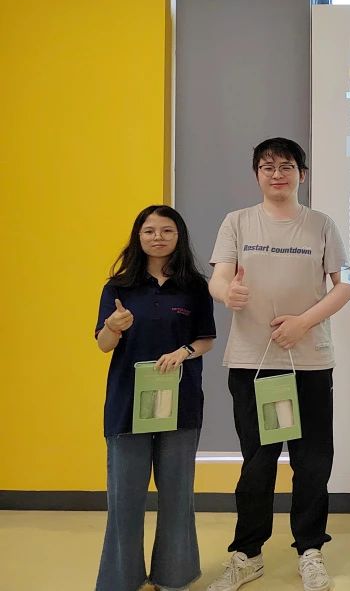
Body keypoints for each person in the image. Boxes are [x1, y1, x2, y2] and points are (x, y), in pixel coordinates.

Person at [206, 138, 350, 591]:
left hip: (309, 361)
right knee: (258, 461)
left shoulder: (322, 224)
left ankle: (310, 550)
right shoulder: (237, 221)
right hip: (252, 361)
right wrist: (227, 293)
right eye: (267, 167)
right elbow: (219, 277)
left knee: (313, 461)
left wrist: (303, 323)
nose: (277, 174)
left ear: (301, 175)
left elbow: (344, 286)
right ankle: (247, 554)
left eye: (286, 166)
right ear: (256, 174)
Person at [94, 205, 216, 591]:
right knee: (125, 500)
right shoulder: (118, 287)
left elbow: (206, 339)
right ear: (138, 236)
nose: (157, 237)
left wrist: (185, 352)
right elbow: (103, 344)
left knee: (177, 496)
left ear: (179, 237)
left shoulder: (194, 286)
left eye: (166, 230)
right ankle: (122, 579)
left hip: (181, 403)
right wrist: (113, 326)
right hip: (127, 404)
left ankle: (174, 576)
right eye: (149, 231)